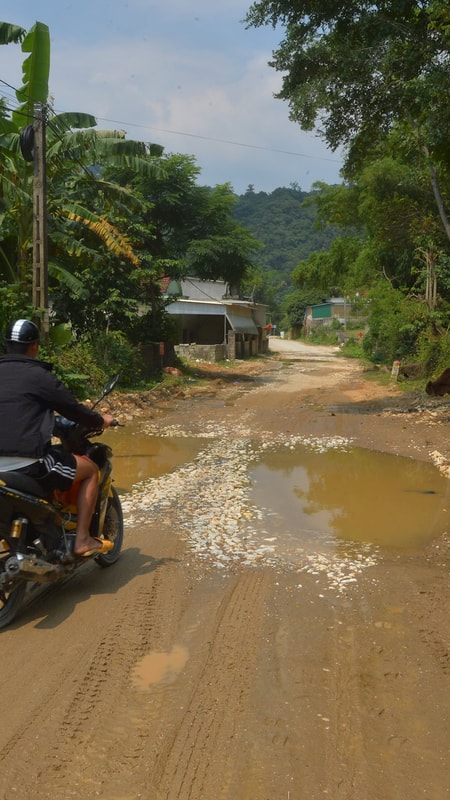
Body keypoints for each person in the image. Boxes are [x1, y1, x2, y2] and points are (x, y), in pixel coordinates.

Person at [0, 318, 115, 557]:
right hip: (28, 464)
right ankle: (82, 539)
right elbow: (73, 409)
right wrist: (100, 420)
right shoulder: (39, 375)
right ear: (34, 346)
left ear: (7, 345)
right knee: (91, 470)